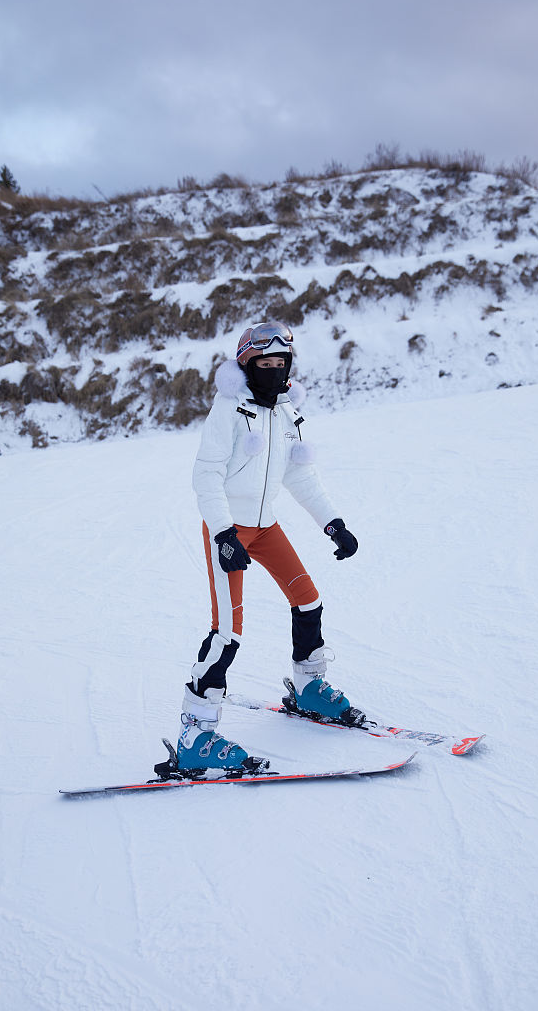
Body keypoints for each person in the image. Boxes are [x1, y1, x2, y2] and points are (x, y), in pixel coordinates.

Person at [175, 320, 360, 776]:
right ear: (247, 364)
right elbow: (206, 476)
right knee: (227, 632)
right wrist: (222, 533)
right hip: (231, 528)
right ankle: (195, 735)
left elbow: (298, 473)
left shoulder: (284, 413)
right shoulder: (229, 410)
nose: (274, 370)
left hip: (266, 525)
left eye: (282, 363)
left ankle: (309, 687)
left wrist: (332, 523)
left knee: (308, 600)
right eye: (265, 363)